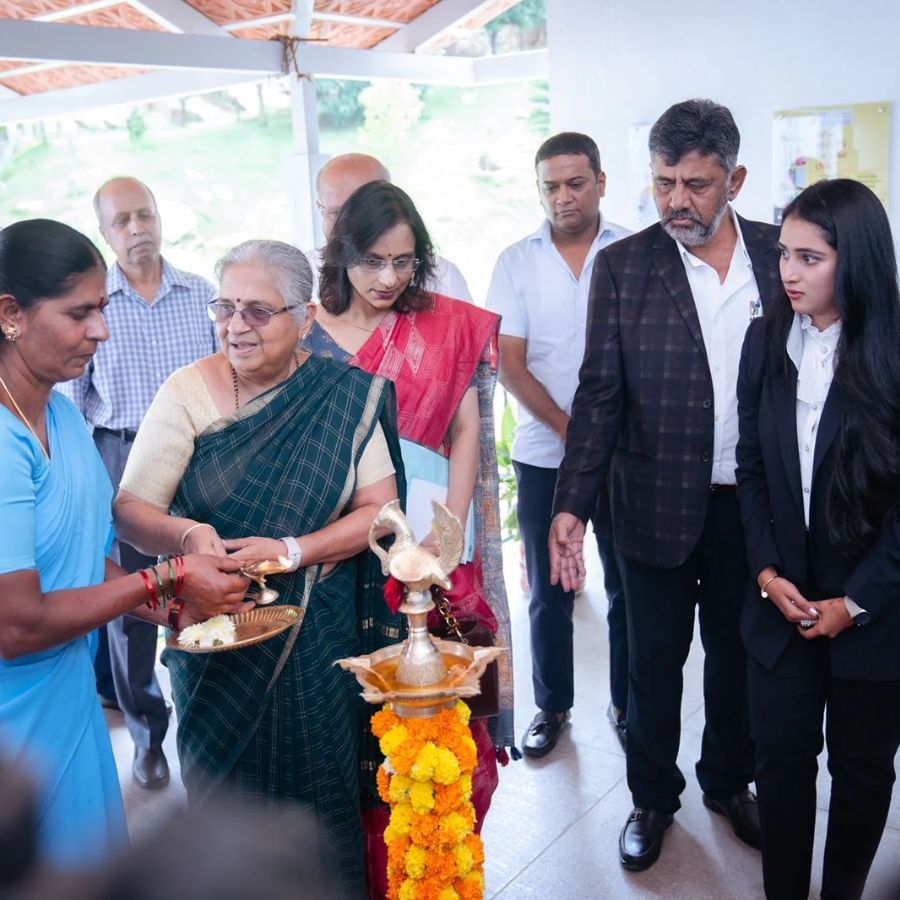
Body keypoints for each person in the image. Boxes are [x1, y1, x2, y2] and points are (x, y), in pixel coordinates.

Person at [113, 239, 401, 897]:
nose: (236, 325)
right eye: (225, 308)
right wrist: (189, 533)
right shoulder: (187, 390)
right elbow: (130, 511)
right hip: (213, 638)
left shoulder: (338, 394)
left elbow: (380, 512)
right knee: (224, 804)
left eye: (257, 311)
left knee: (318, 803)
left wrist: (294, 549)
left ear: (304, 320)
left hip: (316, 638)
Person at [550, 99, 782, 871]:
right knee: (650, 665)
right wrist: (571, 508)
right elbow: (599, 395)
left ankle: (727, 781)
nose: (677, 200)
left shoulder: (781, 258)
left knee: (738, 659)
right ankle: (653, 798)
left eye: (696, 184)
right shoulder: (625, 266)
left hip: (748, 511)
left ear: (735, 179)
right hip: (648, 507)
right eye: (663, 183)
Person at [0, 218, 250, 869]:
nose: (101, 331)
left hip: (69, 697)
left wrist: (171, 611)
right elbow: (16, 625)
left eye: (103, 309)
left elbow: (79, 559)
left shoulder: (59, 412)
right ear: (11, 314)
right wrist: (163, 581)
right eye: (79, 313)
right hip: (13, 726)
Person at [302, 179, 513, 896]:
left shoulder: (442, 325)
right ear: (341, 255)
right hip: (338, 543)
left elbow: (462, 431)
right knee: (356, 715)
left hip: (427, 544)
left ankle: (439, 859)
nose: (389, 278)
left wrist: (444, 539)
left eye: (403, 261)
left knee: (441, 706)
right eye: (373, 262)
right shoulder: (305, 332)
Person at [735, 178, 900, 900]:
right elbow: (750, 469)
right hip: (783, 605)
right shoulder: (765, 337)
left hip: (873, 616)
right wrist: (768, 573)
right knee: (781, 765)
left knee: (862, 775)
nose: (789, 272)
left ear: (854, 261)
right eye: (783, 254)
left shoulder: (893, 352)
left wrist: (854, 602)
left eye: (810, 257)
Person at [57, 176, 217, 791]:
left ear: (160, 216)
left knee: (199, 585)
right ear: (105, 232)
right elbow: (71, 406)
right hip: (116, 458)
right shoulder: (96, 306)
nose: (137, 228)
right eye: (121, 220)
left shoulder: (200, 294)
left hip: (197, 458)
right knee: (128, 607)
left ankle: (204, 721)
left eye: (144, 214)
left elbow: (222, 385)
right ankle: (149, 738)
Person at [486, 131, 631, 758]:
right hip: (546, 453)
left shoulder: (635, 251)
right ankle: (552, 707)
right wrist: (576, 432)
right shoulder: (516, 261)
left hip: (629, 455)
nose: (563, 197)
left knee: (628, 587)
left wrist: (601, 439)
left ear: (601, 181)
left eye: (576, 183)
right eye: (551, 186)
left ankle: (628, 704)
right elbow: (509, 363)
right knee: (548, 589)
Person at [311, 152, 472, 302]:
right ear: (320, 208)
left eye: (364, 211)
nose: (351, 225)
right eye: (336, 213)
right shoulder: (300, 279)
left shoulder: (443, 279)